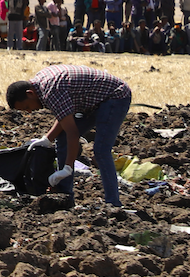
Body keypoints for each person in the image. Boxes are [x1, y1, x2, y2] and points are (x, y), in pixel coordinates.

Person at [7, 65, 132, 207]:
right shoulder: (40, 85)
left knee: (101, 151)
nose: (30, 111)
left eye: (27, 107)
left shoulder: (51, 92)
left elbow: (73, 133)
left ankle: (113, 204)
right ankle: (65, 196)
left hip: (114, 96)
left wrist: (67, 168)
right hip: (91, 101)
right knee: (62, 137)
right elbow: (64, 116)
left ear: (30, 93)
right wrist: (48, 139)